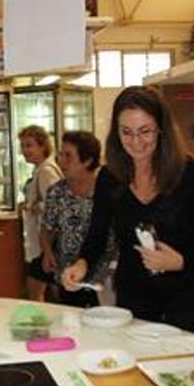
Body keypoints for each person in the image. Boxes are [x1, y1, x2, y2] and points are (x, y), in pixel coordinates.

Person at [62, 86, 194, 334]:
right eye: (126, 132)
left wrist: (181, 261)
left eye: (145, 131)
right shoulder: (110, 176)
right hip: (134, 295)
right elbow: (97, 234)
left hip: (189, 294)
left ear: (161, 128)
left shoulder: (188, 172)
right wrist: (81, 265)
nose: (136, 142)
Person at [41, 131, 115, 308]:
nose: (61, 161)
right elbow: (47, 228)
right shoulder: (56, 192)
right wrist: (47, 251)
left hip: (103, 274)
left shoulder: (107, 189)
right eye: (60, 155)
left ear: (87, 161)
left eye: (68, 156)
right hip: (68, 274)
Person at [19, 125, 63, 301]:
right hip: (45, 242)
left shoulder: (45, 171)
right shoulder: (41, 168)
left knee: (35, 292)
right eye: (23, 146)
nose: (25, 151)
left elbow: (56, 205)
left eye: (29, 145)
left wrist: (35, 207)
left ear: (43, 146)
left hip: (45, 243)